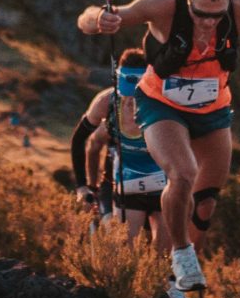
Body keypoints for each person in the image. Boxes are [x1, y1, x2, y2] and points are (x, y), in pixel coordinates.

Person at [76, 0, 240, 298]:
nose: (208, 22)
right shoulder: (162, 7)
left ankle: (173, 270)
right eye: (200, 14)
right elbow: (90, 18)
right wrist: (99, 20)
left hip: (213, 110)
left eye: (216, 15)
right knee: (182, 175)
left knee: (206, 201)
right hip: (161, 105)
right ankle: (181, 255)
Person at [71, 48, 169, 235]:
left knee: (163, 255)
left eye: (139, 97)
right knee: (123, 249)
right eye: (127, 96)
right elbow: (82, 140)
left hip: (162, 188)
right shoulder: (107, 102)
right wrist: (85, 186)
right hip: (125, 187)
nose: (132, 102)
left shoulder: (163, 101)